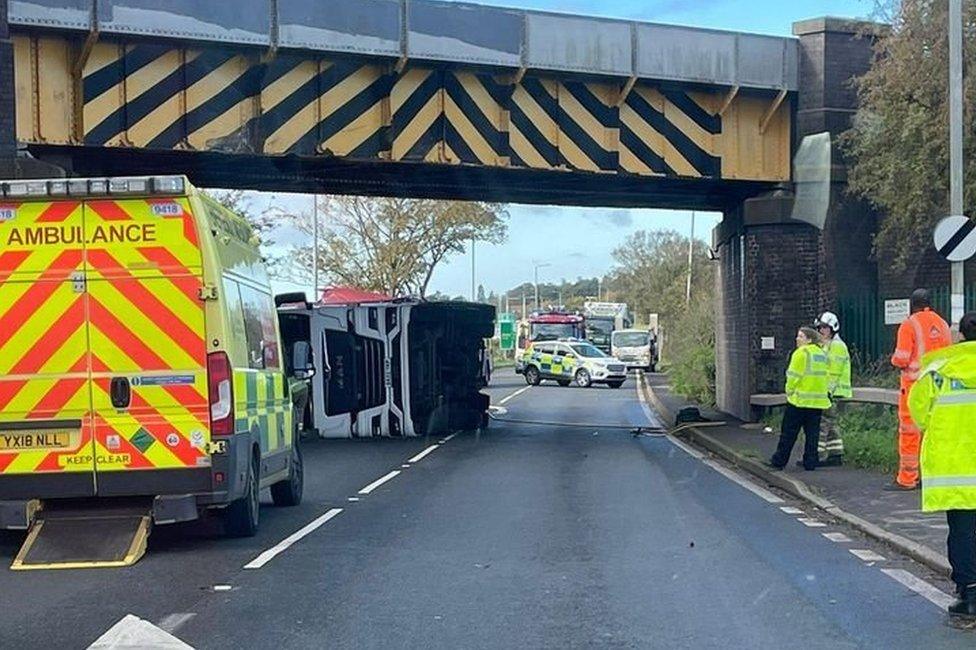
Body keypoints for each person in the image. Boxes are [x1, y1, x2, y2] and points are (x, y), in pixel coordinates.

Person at [908, 311, 976, 622]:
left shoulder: (938, 371)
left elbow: (919, 412)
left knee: (961, 532)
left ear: (960, 336)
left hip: (954, 466)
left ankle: (970, 595)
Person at [890, 289, 952, 490]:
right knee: (933, 433)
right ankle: (930, 476)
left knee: (910, 432)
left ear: (912, 304)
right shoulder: (943, 324)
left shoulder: (909, 324)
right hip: (938, 386)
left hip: (914, 387)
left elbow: (901, 358)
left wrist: (894, 360)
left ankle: (908, 478)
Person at [769, 327, 831, 471]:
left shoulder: (800, 353)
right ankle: (810, 462)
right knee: (812, 435)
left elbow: (793, 376)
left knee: (788, 434)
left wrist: (789, 392)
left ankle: (779, 461)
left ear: (809, 340)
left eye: (801, 336)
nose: (797, 339)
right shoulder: (821, 354)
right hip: (817, 402)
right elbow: (825, 377)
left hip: (799, 401)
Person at [815, 311, 851, 467]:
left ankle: (816, 455)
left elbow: (833, 372)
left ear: (833, 328)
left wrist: (827, 392)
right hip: (833, 392)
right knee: (831, 424)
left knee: (822, 424)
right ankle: (835, 454)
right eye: (820, 327)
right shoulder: (827, 345)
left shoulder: (836, 346)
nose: (821, 331)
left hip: (832, 392)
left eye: (825, 328)